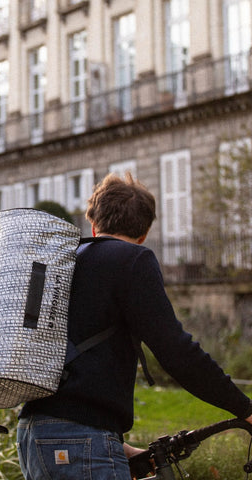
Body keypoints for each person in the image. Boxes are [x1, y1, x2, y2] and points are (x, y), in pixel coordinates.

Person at [17, 173, 252, 480]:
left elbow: (72, 369)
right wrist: (244, 408)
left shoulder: (66, 261)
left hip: (35, 433)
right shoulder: (132, 260)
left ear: (94, 224)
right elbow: (177, 352)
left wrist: (119, 448)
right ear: (144, 232)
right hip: (77, 441)